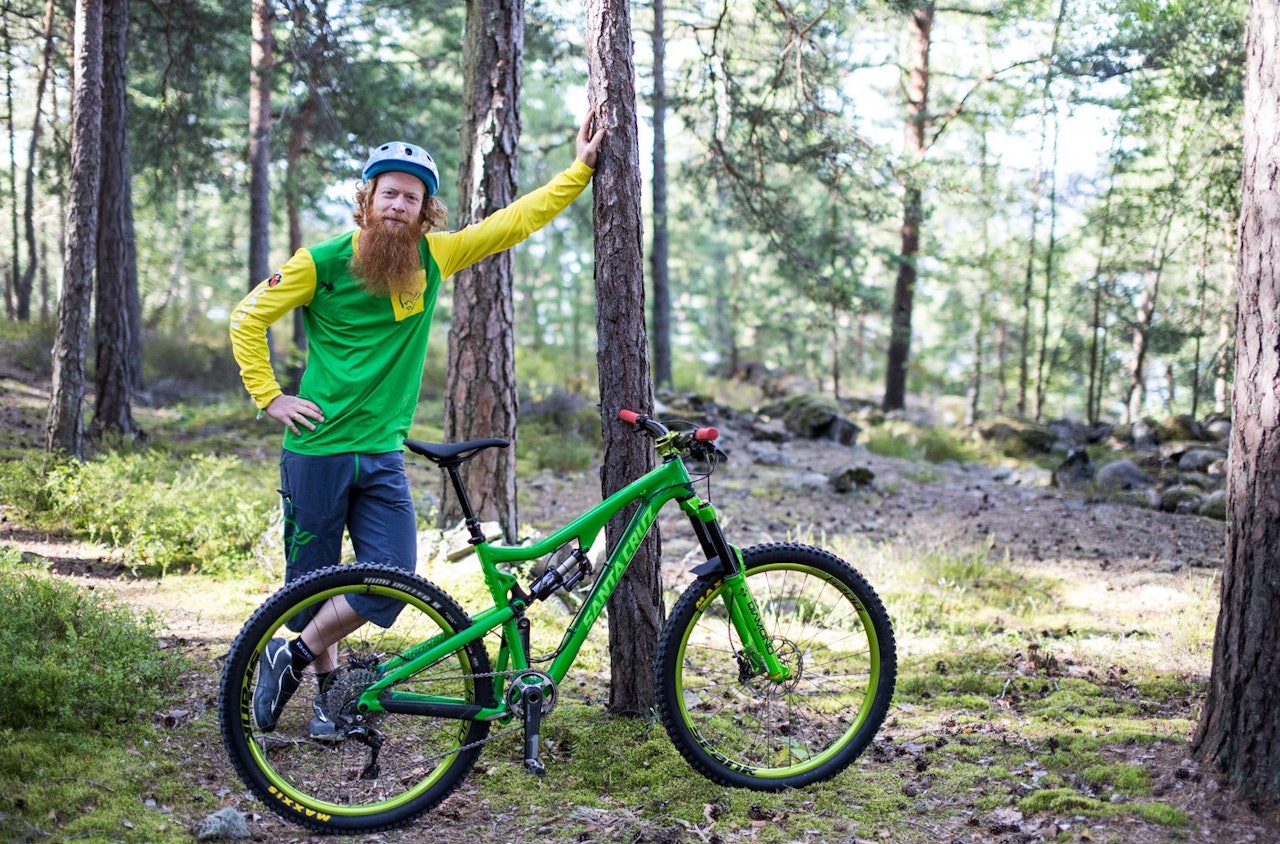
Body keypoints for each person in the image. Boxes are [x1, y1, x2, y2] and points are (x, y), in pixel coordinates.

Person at [229, 108, 605, 739]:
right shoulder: (317, 263)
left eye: (412, 196)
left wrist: (580, 170)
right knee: (310, 592)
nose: (399, 205)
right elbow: (247, 317)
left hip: (380, 454)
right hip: (316, 452)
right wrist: (270, 397)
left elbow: (513, 223)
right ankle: (329, 701)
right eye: (388, 193)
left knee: (389, 582)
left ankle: (286, 657)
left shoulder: (436, 258)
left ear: (426, 209)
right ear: (368, 200)